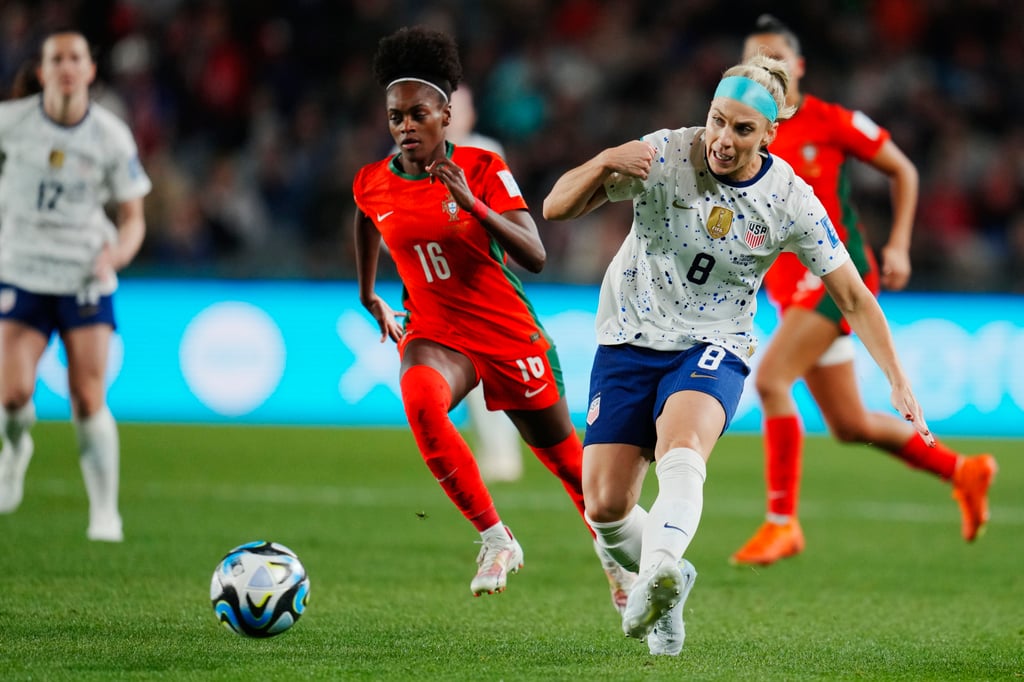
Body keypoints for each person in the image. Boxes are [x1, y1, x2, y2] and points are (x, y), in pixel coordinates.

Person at [542, 54, 934, 656]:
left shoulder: (790, 200)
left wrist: (898, 379)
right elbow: (555, 208)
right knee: (605, 508)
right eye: (717, 120)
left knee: (683, 445)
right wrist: (601, 161)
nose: (723, 140)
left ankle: (664, 565)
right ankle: (668, 584)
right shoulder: (662, 153)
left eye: (743, 129)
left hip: (713, 342)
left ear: (771, 133)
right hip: (628, 336)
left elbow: (852, 295)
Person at [352, 25, 634, 607]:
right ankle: (495, 537)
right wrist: (367, 292)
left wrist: (472, 205)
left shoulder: (481, 168)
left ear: (446, 114)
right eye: (396, 117)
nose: (406, 127)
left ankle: (624, 566)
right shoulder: (372, 182)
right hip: (435, 332)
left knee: (571, 467)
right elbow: (366, 217)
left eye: (418, 115)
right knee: (420, 401)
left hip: (506, 332)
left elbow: (534, 253)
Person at [729, 14, 997, 567]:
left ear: (798, 66)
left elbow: (903, 169)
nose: (766, 68)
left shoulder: (830, 121)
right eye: (755, 60)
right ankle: (962, 471)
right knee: (849, 425)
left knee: (773, 379)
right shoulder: (742, 132)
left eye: (775, 58)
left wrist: (898, 245)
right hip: (787, 290)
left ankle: (782, 522)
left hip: (833, 280)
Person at [0, 29, 151, 542]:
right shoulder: (10, 126)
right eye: (56, 58)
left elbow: (133, 217)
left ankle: (105, 514)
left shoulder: (110, 136)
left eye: (76, 58)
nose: (66, 66)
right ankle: (17, 447)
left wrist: (118, 253)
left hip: (84, 276)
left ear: (90, 71)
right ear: (42, 72)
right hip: (22, 271)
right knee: (12, 395)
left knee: (88, 397)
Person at [446, 86, 524, 484]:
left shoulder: (486, 151)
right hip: (434, 286)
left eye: (459, 106)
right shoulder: (408, 156)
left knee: (490, 372)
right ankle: (472, 455)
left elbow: (500, 209)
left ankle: (502, 456)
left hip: (482, 280)